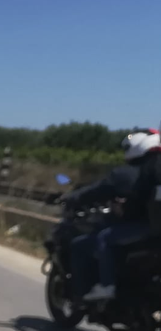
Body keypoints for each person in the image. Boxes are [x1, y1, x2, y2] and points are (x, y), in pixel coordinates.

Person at [68, 129, 160, 301]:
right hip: (154, 230)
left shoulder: (126, 173)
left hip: (144, 227)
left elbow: (96, 190)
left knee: (99, 239)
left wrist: (72, 198)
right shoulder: (153, 172)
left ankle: (106, 286)